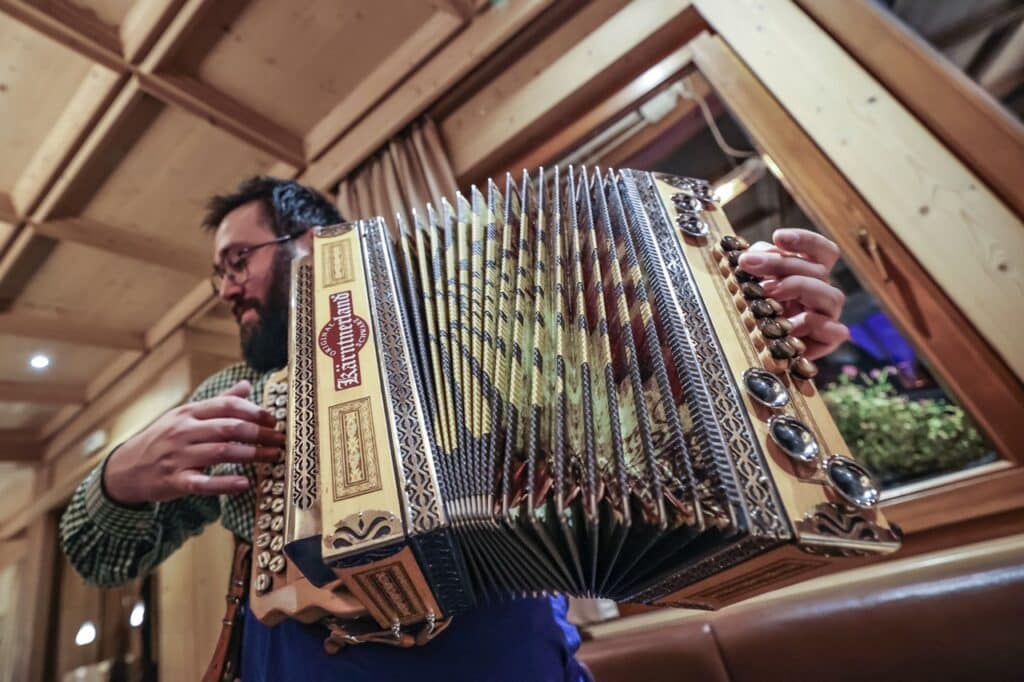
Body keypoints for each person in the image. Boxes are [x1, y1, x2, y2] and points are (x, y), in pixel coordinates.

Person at [60, 176, 849, 681]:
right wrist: (117, 479)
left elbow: (643, 450)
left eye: (237, 261)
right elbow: (98, 555)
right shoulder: (235, 392)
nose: (225, 289)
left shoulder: (498, 329)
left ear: (308, 243)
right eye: (219, 271)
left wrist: (747, 343)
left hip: (507, 662)